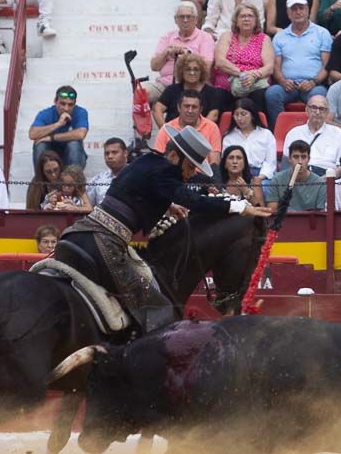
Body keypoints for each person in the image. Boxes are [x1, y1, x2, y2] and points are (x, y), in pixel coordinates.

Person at [56, 125, 269, 332]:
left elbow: (132, 191)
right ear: (175, 157)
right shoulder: (166, 171)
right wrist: (238, 206)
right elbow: (192, 200)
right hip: (104, 243)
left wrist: (167, 204)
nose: (189, 174)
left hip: (80, 232)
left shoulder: (146, 161)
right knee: (156, 304)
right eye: (189, 167)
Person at [266, 0, 332, 128]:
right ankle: (280, 131)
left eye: (301, 8)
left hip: (313, 84)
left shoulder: (322, 33)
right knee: (272, 94)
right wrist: (282, 81)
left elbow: (326, 66)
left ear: (308, 10)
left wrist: (314, 82)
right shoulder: (280, 36)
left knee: (319, 96)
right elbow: (276, 67)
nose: (298, 12)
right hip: (288, 85)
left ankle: (316, 131)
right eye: (294, 9)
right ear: (288, 13)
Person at [212, 1, 273, 111]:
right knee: (217, 95)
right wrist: (242, 74)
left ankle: (257, 126)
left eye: (250, 16)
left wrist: (254, 75)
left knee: (259, 95)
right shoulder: (227, 36)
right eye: (242, 16)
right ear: (236, 21)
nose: (246, 19)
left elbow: (269, 67)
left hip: (254, 84)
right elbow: (220, 61)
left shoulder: (264, 38)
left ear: (256, 21)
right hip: (227, 84)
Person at [281, 94, 341, 174]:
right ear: (306, 110)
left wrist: (324, 180)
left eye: (322, 109)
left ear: (327, 112)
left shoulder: (338, 134)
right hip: (299, 176)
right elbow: (286, 164)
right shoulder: (294, 133)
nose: (317, 112)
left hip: (326, 176)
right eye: (314, 108)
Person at [154, 91, 222, 166]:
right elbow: (158, 159)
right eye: (186, 106)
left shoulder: (212, 128)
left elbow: (215, 160)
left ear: (200, 109)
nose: (190, 111)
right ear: (179, 108)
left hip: (203, 175)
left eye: (194, 107)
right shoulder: (166, 129)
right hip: (172, 173)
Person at [28, 85, 89, 170]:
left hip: (73, 156)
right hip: (51, 157)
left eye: (70, 105)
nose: (66, 108)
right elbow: (32, 134)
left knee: (73, 144)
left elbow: (81, 134)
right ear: (55, 101)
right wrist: (58, 124)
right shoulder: (46, 113)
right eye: (62, 103)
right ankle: (41, 182)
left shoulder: (80, 112)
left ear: (75, 104)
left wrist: (51, 137)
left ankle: (74, 181)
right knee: (40, 144)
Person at [154, 53, 220, 129]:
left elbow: (214, 115)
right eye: (188, 69)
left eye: (196, 69)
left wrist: (196, 133)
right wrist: (166, 131)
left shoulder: (212, 92)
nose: (192, 73)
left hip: (200, 135)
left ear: (201, 72)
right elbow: (157, 109)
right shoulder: (171, 90)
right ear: (181, 71)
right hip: (173, 135)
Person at [265, 140, 327, 214]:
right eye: (296, 157)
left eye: (303, 157)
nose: (300, 161)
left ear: (309, 159)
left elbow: (320, 214)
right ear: (289, 159)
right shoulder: (277, 180)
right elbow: (272, 211)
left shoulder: (320, 183)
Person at [222, 98, 277, 180]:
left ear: (253, 115)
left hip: (260, 173)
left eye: (243, 114)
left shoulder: (266, 134)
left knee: (264, 189)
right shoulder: (229, 136)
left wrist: (260, 178)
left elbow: (270, 162)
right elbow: (226, 161)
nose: (239, 118)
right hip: (236, 174)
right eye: (236, 114)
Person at [87, 139, 131, 208]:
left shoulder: (136, 175)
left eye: (114, 152)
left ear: (125, 153)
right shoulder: (98, 179)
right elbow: (87, 205)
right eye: (107, 153)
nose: (110, 156)